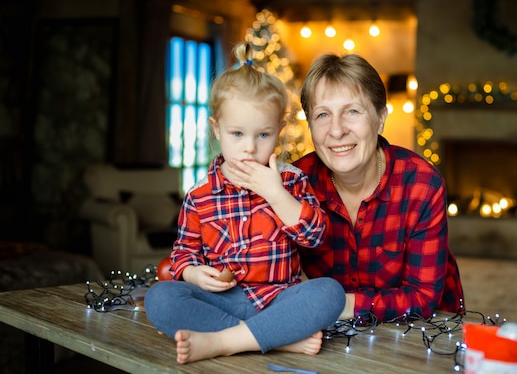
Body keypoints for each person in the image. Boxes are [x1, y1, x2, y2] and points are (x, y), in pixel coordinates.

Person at [144, 42, 345, 364]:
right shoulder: (200, 194)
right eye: (237, 134)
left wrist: (276, 194)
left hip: (279, 298)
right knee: (160, 298)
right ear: (216, 129)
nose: (250, 148)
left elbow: (315, 236)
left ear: (279, 131)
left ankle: (223, 341)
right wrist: (194, 274)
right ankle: (276, 339)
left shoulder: (292, 181)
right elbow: (183, 252)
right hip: (219, 299)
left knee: (329, 293)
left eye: (263, 135)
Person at [293, 53, 464, 323]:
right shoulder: (295, 184)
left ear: (380, 118)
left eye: (352, 111)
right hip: (337, 332)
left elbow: (422, 298)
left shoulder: (421, 185)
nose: (336, 131)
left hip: (426, 332)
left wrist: (335, 304)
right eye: (323, 114)